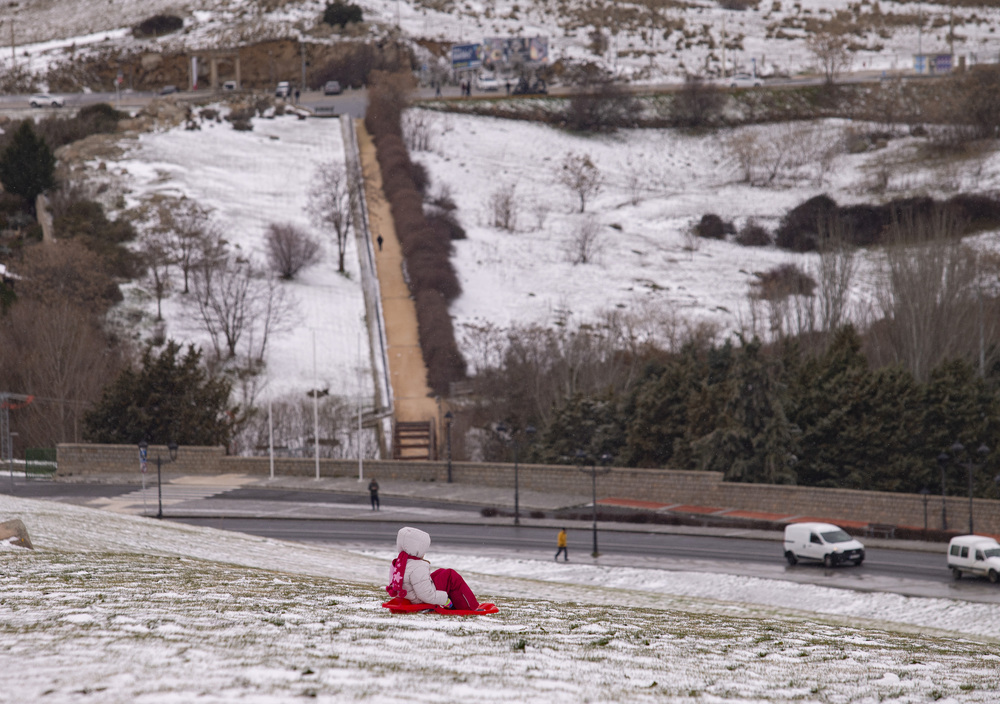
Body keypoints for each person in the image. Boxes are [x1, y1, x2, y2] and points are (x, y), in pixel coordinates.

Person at [386, 527, 480, 609]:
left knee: (441, 572)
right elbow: (426, 595)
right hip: (419, 600)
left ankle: (461, 602)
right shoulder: (417, 566)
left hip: (410, 595)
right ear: (417, 549)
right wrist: (445, 600)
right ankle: (470, 606)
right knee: (451, 576)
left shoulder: (400, 562)